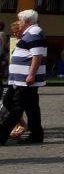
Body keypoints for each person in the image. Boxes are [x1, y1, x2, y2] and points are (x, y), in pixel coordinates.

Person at [0, 10, 46, 145]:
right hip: (19, 79)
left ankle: (2, 135)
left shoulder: (34, 33)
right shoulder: (30, 33)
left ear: (27, 21)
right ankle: (36, 134)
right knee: (29, 106)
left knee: (16, 106)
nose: (18, 23)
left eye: (20, 20)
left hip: (25, 79)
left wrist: (31, 74)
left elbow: (37, 56)